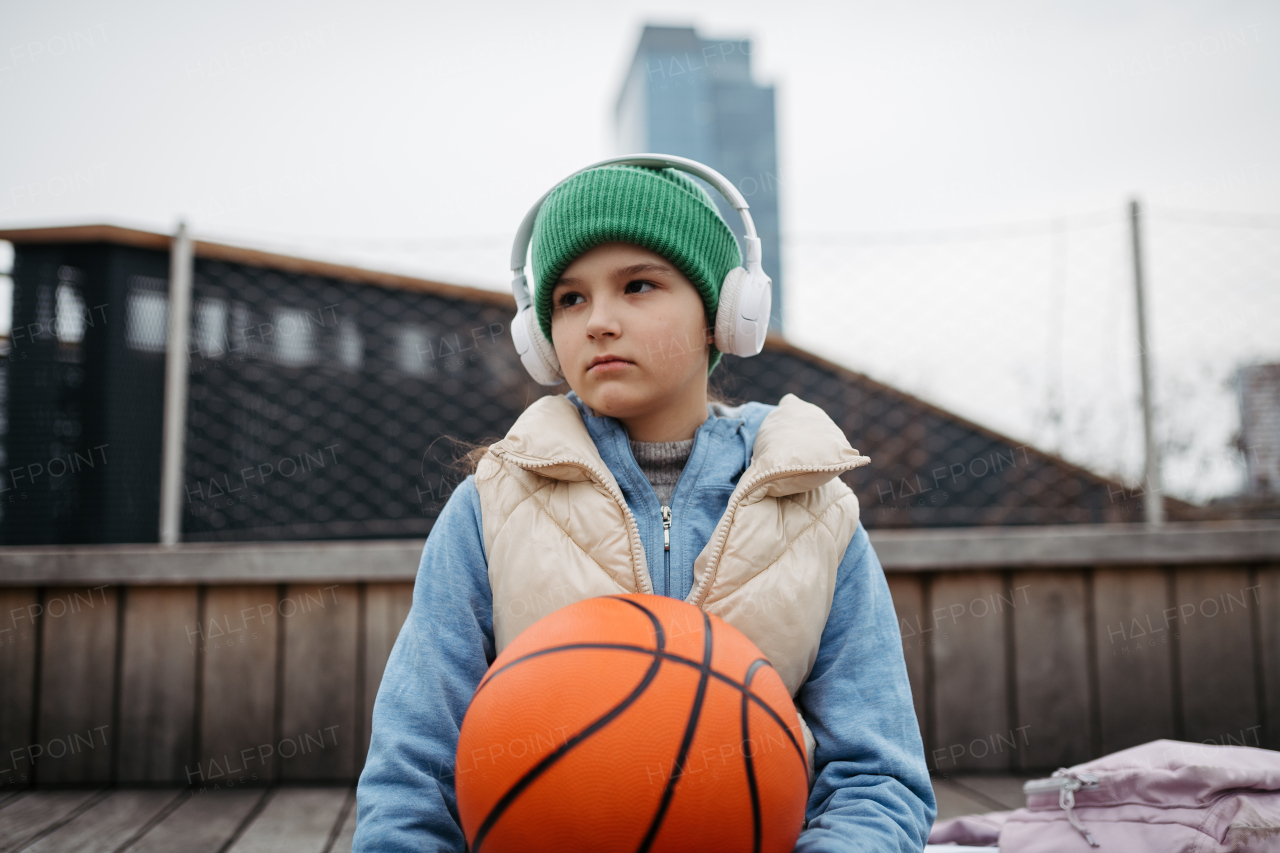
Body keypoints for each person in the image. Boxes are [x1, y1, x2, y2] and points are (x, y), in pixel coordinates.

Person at [353, 160, 936, 852]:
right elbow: (414, 770)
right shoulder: (489, 506)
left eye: (638, 285)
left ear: (726, 315)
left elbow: (881, 776)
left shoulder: (815, 510)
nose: (598, 321)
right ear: (540, 337)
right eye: (569, 299)